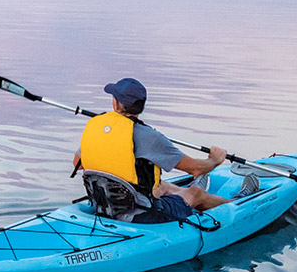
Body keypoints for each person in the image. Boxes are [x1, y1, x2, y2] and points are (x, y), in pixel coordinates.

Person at [72, 77, 231, 222]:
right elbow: (197, 169)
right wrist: (215, 159)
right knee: (196, 194)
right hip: (141, 215)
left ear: (115, 103)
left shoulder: (96, 128)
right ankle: (234, 203)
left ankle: (183, 192)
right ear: (141, 106)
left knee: (161, 185)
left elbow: (78, 165)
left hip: (103, 207)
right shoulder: (150, 136)